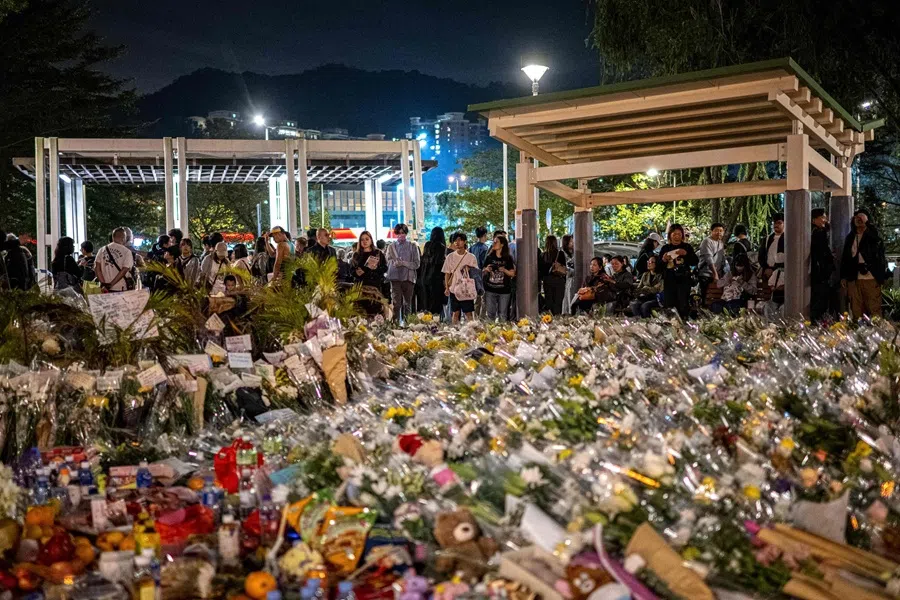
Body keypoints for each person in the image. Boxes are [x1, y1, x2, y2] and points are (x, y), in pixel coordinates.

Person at [841, 208, 888, 320]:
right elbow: (845, 258)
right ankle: (859, 332)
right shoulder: (850, 237)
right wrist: (843, 276)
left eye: (861, 218)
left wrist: (881, 277)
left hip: (870, 277)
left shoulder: (873, 236)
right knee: (856, 309)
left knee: (874, 308)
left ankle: (877, 334)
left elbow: (879, 255)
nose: (859, 220)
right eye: (856, 218)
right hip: (853, 277)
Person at [659, 224, 699, 318]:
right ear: (670, 236)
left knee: (683, 305)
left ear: (682, 235)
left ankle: (684, 325)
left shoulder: (687, 247)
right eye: (674, 234)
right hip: (669, 281)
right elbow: (658, 267)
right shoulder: (665, 248)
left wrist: (686, 254)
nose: (677, 237)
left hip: (684, 281)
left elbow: (694, 262)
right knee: (670, 306)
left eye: (679, 234)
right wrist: (664, 260)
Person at [385, 224, 421, 321]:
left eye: (403, 233)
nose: (401, 235)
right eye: (399, 233)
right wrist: (394, 263)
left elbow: (417, 264)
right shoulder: (391, 247)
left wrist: (403, 263)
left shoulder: (412, 246)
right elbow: (387, 262)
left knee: (407, 304)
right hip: (395, 278)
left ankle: (408, 324)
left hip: (408, 278)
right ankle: (395, 324)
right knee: (396, 304)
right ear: (396, 234)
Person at [442, 231, 478, 323]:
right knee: (455, 312)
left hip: (467, 289)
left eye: (459, 240)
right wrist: (447, 287)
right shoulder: (450, 257)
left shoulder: (471, 257)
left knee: (468, 313)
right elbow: (447, 273)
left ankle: (471, 331)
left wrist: (469, 268)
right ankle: (455, 332)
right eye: (455, 241)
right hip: (454, 288)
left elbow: (476, 272)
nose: (457, 243)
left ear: (464, 241)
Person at [351, 230, 388, 316]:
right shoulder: (356, 255)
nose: (364, 241)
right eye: (362, 239)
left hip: (374, 287)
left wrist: (376, 268)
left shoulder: (378, 253)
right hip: (361, 287)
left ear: (371, 240)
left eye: (367, 239)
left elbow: (385, 268)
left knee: (375, 311)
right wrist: (356, 272)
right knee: (361, 312)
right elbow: (351, 270)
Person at [810, 208, 836, 321]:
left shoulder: (814, 232)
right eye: (822, 218)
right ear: (814, 219)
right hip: (821, 273)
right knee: (821, 301)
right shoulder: (819, 233)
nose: (825, 220)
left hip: (819, 272)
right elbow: (822, 252)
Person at [482, 235, 516, 321]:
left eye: (496, 242)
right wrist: (487, 269)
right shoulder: (489, 257)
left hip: (504, 290)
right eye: (493, 242)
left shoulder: (508, 258)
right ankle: (490, 332)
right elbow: (483, 270)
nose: (494, 243)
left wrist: (504, 270)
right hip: (490, 289)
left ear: (502, 244)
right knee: (490, 315)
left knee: (503, 315)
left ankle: (503, 333)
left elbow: (512, 273)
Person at [95, 227, 135, 293]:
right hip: (121, 288)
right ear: (124, 238)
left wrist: (104, 284)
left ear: (113, 237)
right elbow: (124, 270)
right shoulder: (127, 252)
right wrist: (111, 285)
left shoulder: (101, 250)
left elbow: (97, 268)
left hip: (104, 289)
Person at [419, 227, 447, 316]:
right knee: (436, 303)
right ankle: (436, 322)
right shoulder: (442, 248)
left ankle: (426, 319)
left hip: (424, 277)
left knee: (426, 301)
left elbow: (423, 261)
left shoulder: (427, 245)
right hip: (436, 279)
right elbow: (440, 264)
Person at [697, 223, 726, 302]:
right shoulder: (707, 241)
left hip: (716, 274)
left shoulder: (721, 243)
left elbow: (722, 259)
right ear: (711, 231)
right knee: (705, 297)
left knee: (715, 297)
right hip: (706, 274)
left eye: (721, 231)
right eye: (716, 230)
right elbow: (708, 258)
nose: (719, 233)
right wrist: (715, 274)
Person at [539, 235, 568, 315]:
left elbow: (541, 271)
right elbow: (564, 268)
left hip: (547, 281)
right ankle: (557, 319)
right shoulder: (560, 254)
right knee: (558, 303)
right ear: (555, 243)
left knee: (549, 302)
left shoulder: (543, 255)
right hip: (559, 280)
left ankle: (549, 319)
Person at [758, 213, 785, 283]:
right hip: (767, 273)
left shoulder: (788, 239)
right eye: (775, 223)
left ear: (784, 224)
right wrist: (766, 268)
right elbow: (761, 256)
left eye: (779, 223)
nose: (776, 225)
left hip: (782, 274)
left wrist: (774, 269)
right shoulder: (767, 239)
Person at [561, 234, 577, 314]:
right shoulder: (563, 254)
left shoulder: (575, 253)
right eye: (571, 241)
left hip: (574, 280)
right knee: (567, 299)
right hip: (567, 280)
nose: (573, 243)